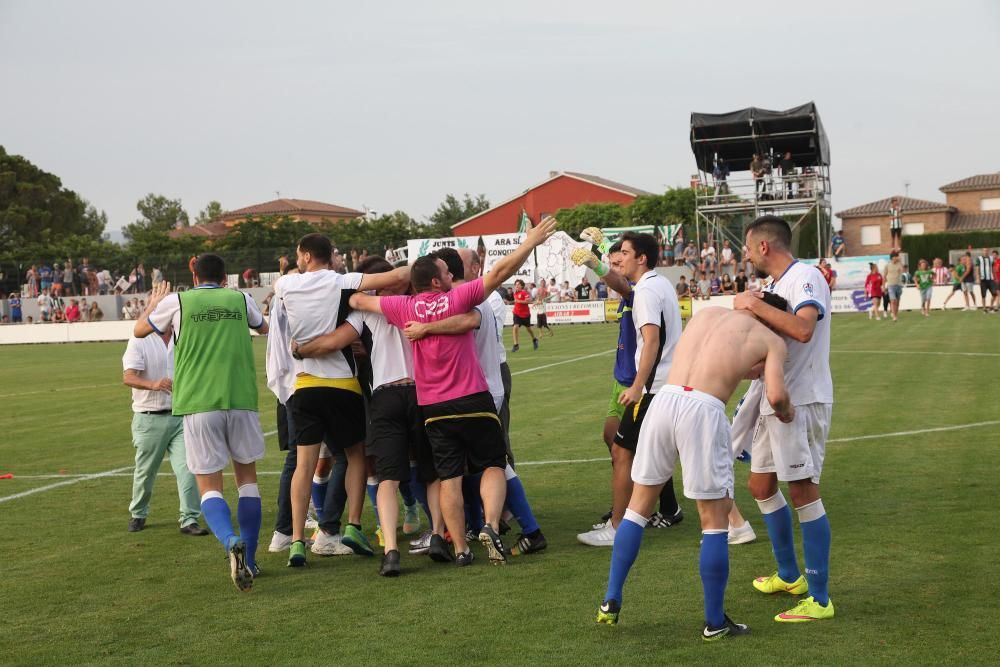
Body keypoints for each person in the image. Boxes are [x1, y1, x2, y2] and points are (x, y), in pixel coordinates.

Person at [347, 217, 557, 564]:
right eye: (445, 273)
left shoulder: (403, 308)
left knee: (448, 477)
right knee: (492, 464)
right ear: (436, 280)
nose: (451, 276)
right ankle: (490, 523)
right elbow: (501, 271)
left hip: (433, 406)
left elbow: (359, 302)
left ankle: (460, 549)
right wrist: (529, 242)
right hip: (473, 396)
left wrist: (367, 287)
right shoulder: (457, 298)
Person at [596, 294, 793, 637]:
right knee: (714, 522)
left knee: (638, 508)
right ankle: (715, 622)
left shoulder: (708, 314)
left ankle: (611, 600)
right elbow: (775, 396)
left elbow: (712, 357)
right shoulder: (772, 339)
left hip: (665, 401)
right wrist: (788, 413)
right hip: (703, 410)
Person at [292, 256, 447, 575]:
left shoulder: (367, 309)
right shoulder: (418, 304)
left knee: (388, 477)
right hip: (421, 391)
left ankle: (390, 550)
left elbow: (336, 340)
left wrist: (302, 350)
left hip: (385, 396)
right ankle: (437, 535)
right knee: (430, 473)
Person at [134, 255, 270, 592]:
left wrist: (151, 305)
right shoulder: (240, 298)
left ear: (194, 276)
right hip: (240, 399)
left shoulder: (176, 301)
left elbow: (140, 331)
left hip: (198, 403)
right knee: (248, 482)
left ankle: (229, 541)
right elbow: (265, 328)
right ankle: (250, 558)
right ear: (225, 277)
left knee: (209, 485)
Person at [274, 234, 411, 567]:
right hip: (343, 385)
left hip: (304, 385)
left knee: (303, 465)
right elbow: (397, 277)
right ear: (325, 255)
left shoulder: (284, 286)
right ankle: (353, 525)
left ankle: (295, 541)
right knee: (355, 456)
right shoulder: (342, 282)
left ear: (305, 256)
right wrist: (417, 267)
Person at [403, 247, 548, 557]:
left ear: (447, 276)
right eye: (474, 262)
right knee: (477, 465)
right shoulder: (461, 298)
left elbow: (467, 321)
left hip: (478, 389)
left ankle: (524, 527)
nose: (479, 267)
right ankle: (485, 523)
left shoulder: (474, 299)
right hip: (474, 388)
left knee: (493, 464)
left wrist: (424, 326)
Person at [734, 215, 835, 623]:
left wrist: (754, 304)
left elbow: (804, 330)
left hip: (800, 400)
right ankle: (790, 576)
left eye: (746, 246)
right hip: (770, 399)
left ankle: (821, 599)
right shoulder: (775, 287)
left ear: (763, 247)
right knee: (759, 484)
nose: (744, 253)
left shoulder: (805, 277)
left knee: (803, 492)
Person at [575, 232, 683, 547]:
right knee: (641, 451)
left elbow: (651, 341)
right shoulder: (657, 284)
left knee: (624, 452)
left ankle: (619, 526)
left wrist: (637, 386)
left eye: (624, 252)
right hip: (659, 384)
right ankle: (638, 512)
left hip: (650, 387)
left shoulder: (648, 289)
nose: (619, 256)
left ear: (642, 258)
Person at [122, 325, 208, 537]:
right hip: (149, 417)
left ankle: (189, 518)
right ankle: (139, 513)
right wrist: (153, 384)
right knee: (146, 471)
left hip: (181, 415)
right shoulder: (139, 339)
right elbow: (128, 377)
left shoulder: (185, 335)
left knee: (188, 468)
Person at [510, 279, 538, 352]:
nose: (516, 286)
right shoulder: (515, 293)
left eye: (518, 284)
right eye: (516, 285)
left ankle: (534, 339)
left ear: (521, 286)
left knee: (528, 329)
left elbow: (528, 301)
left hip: (525, 315)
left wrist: (519, 301)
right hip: (517, 313)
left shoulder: (524, 292)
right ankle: (516, 345)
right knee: (515, 327)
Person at [975, 248, 997, 313]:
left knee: (994, 294)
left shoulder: (991, 258)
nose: (985, 252)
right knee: (983, 295)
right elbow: (977, 269)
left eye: (987, 251)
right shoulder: (979, 259)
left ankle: (991, 306)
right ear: (982, 251)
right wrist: (978, 278)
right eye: (984, 251)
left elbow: (993, 268)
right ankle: (984, 308)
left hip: (990, 279)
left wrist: (995, 277)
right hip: (983, 279)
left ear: (988, 251)